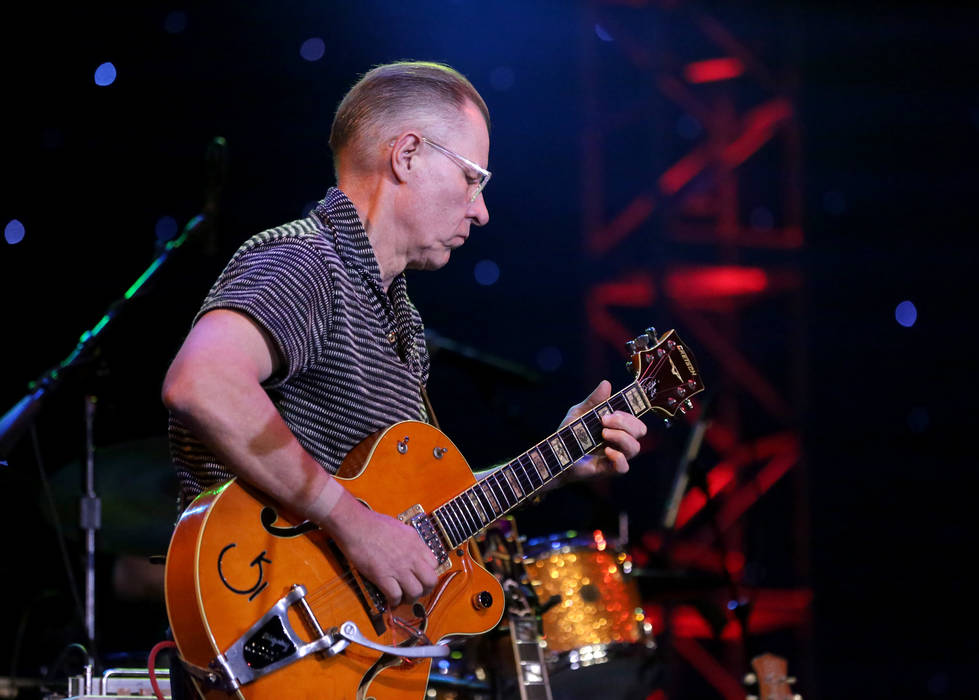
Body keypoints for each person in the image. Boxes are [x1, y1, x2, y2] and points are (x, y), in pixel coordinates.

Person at [162, 59, 646, 632]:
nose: (482, 210)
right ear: (407, 154)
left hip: (342, 650)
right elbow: (200, 382)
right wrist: (352, 522)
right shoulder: (305, 262)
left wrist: (560, 461)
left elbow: (412, 524)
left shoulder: (400, 320)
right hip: (262, 630)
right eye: (473, 179)